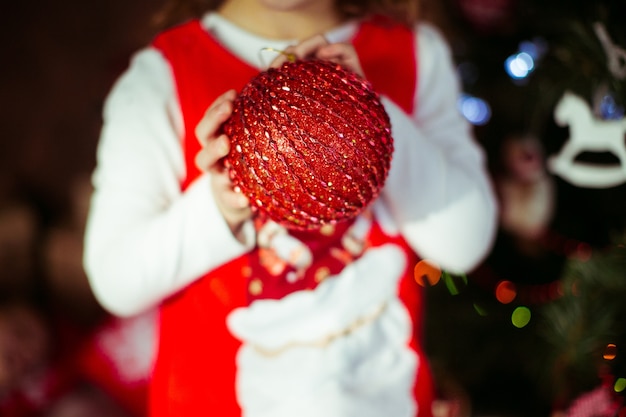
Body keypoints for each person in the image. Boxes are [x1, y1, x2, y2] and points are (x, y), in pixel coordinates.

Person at [82, 0, 498, 416]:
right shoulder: (160, 80)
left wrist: (371, 114)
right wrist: (220, 205)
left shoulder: (414, 53)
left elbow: (463, 243)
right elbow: (115, 279)